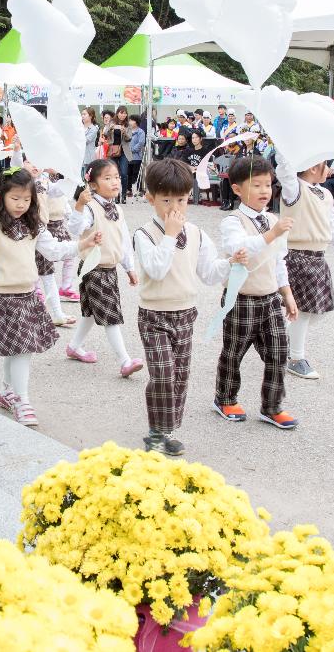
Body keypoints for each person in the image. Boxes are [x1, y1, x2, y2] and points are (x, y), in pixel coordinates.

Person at [133, 159, 243, 456]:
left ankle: (168, 429)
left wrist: (231, 264)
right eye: (166, 200)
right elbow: (156, 269)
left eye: (181, 200)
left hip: (185, 312)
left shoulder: (195, 232)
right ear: (151, 198)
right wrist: (169, 234)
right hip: (154, 315)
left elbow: (208, 273)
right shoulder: (144, 234)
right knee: (163, 374)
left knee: (180, 375)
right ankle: (157, 431)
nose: (174, 208)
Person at [0, 168, 93, 427]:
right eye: (15, 198)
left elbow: (53, 251)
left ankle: (7, 390)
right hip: (3, 299)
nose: (21, 204)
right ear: (0, 196)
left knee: (16, 350)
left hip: (28, 296)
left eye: (26, 200)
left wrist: (82, 244)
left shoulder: (34, 226)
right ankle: (22, 399)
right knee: (22, 349)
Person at [214, 156, 298, 430]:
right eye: (257, 185)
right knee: (234, 351)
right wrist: (272, 233)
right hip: (241, 298)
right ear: (237, 189)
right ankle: (225, 398)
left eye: (268, 185)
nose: (265, 191)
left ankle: (272, 406)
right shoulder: (232, 221)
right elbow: (241, 250)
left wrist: (287, 294)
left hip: (270, 297)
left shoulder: (273, 219)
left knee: (279, 351)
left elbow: (278, 261)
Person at [277, 157, 334, 382]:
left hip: (318, 257)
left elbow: (333, 223)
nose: (330, 169)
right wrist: (290, 147)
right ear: (312, 167)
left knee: (318, 310)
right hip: (297, 256)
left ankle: (282, 337)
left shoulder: (325, 194)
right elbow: (284, 168)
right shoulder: (295, 189)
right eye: (325, 164)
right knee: (302, 310)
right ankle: (295, 358)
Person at [65, 159, 141, 376]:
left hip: (109, 269)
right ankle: (125, 360)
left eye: (116, 177)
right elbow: (75, 228)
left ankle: (74, 346)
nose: (115, 181)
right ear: (94, 184)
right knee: (111, 314)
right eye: (107, 178)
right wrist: (79, 206)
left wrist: (129, 267)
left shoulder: (117, 208)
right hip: (93, 268)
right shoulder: (90, 207)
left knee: (91, 312)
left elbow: (123, 240)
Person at [32, 167, 77, 324]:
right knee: (26, 271)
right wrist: (17, 151)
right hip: (25, 233)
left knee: (47, 273)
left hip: (40, 229)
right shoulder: (20, 179)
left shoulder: (44, 182)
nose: (33, 165)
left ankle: (57, 313)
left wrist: (72, 174)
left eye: (36, 162)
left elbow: (59, 191)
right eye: (28, 161)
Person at [124, 116, 145, 200]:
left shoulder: (141, 132)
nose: (130, 122)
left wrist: (131, 150)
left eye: (131, 120)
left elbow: (141, 143)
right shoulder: (127, 130)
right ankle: (128, 189)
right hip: (127, 156)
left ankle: (137, 189)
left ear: (136, 122)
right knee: (127, 173)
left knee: (135, 173)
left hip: (137, 157)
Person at [80, 108, 99, 173]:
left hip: (88, 157)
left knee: (87, 177)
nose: (82, 116)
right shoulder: (79, 127)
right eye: (82, 114)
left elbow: (85, 141)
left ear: (90, 116)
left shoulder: (93, 129)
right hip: (79, 156)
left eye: (84, 114)